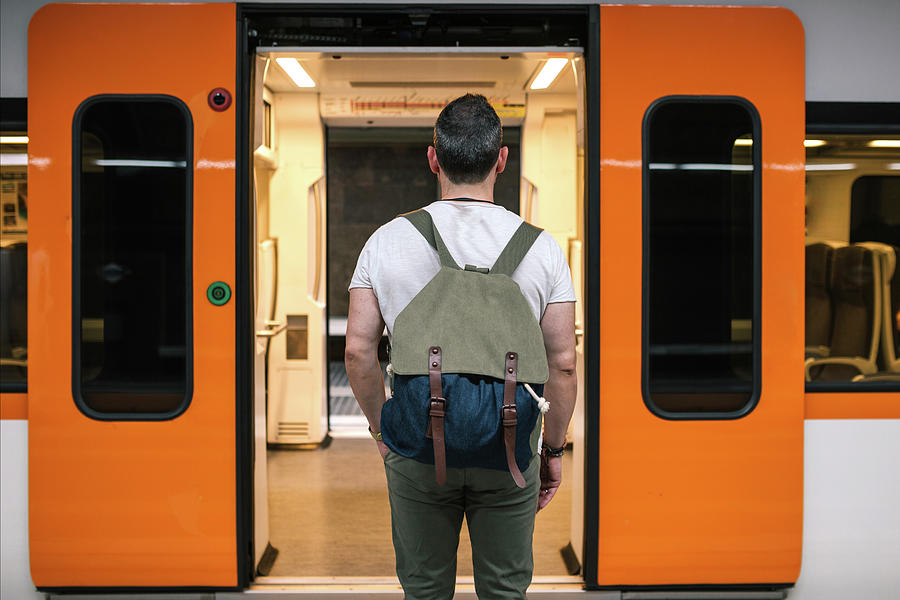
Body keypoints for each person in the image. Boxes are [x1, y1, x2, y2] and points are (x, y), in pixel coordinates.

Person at [345, 93, 577, 600]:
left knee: (425, 588)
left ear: (434, 158)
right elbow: (562, 364)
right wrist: (552, 449)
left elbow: (359, 352)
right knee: (504, 589)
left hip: (416, 448)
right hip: (512, 447)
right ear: (501, 159)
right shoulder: (541, 247)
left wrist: (382, 430)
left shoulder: (386, 240)